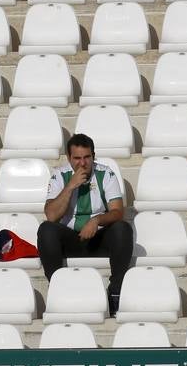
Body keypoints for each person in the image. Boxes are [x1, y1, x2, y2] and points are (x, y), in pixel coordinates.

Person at [38, 134, 133, 317]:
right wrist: (70, 186)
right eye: (77, 158)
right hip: (70, 239)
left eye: (87, 157)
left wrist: (96, 221)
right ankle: (58, 288)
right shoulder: (60, 175)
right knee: (46, 230)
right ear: (69, 158)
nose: (82, 163)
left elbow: (117, 211)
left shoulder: (106, 174)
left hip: (98, 238)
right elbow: (51, 215)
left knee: (122, 228)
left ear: (93, 156)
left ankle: (116, 290)